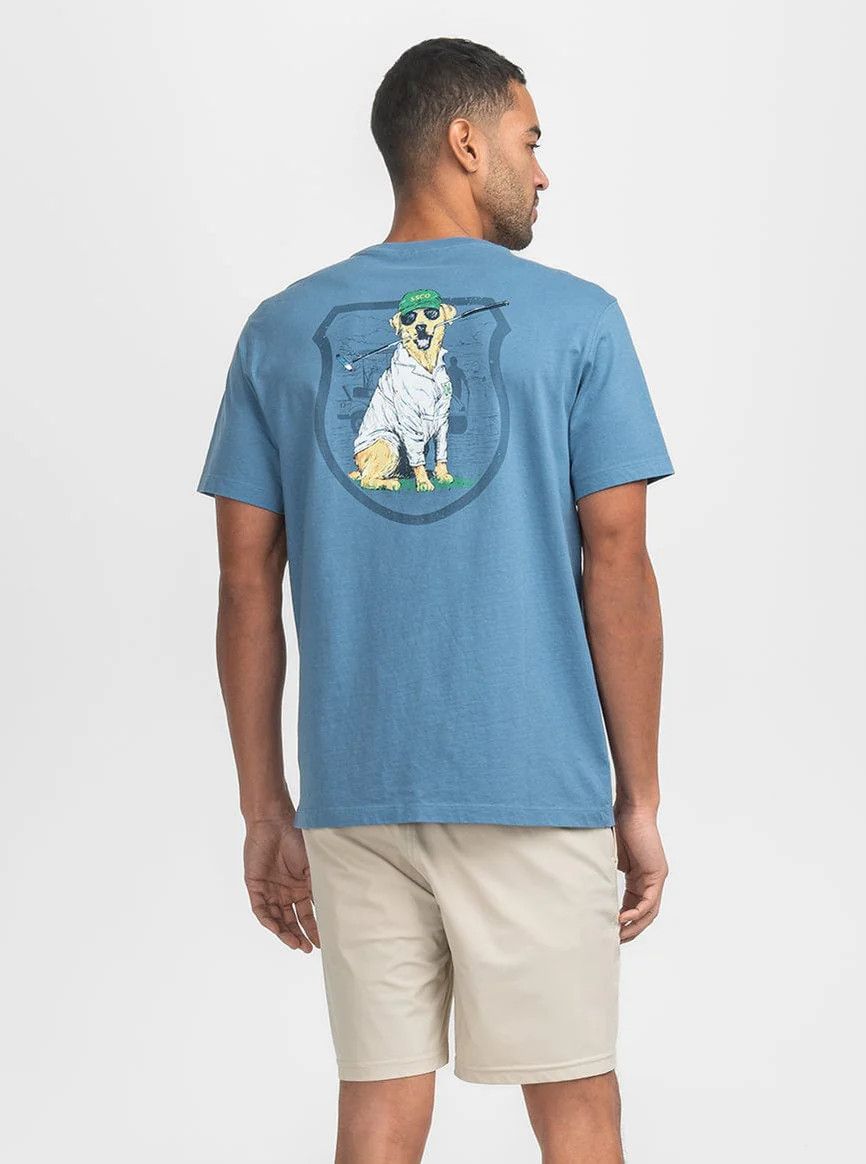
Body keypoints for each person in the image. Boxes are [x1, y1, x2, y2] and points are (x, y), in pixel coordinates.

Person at [197, 36, 675, 1164]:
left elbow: (244, 580)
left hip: (354, 787)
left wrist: (265, 808)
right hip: (532, 782)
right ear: (466, 142)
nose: (543, 171)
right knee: (577, 1108)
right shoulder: (577, 320)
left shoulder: (281, 328)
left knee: (377, 1112)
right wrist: (639, 797)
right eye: (529, 140)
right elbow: (618, 565)